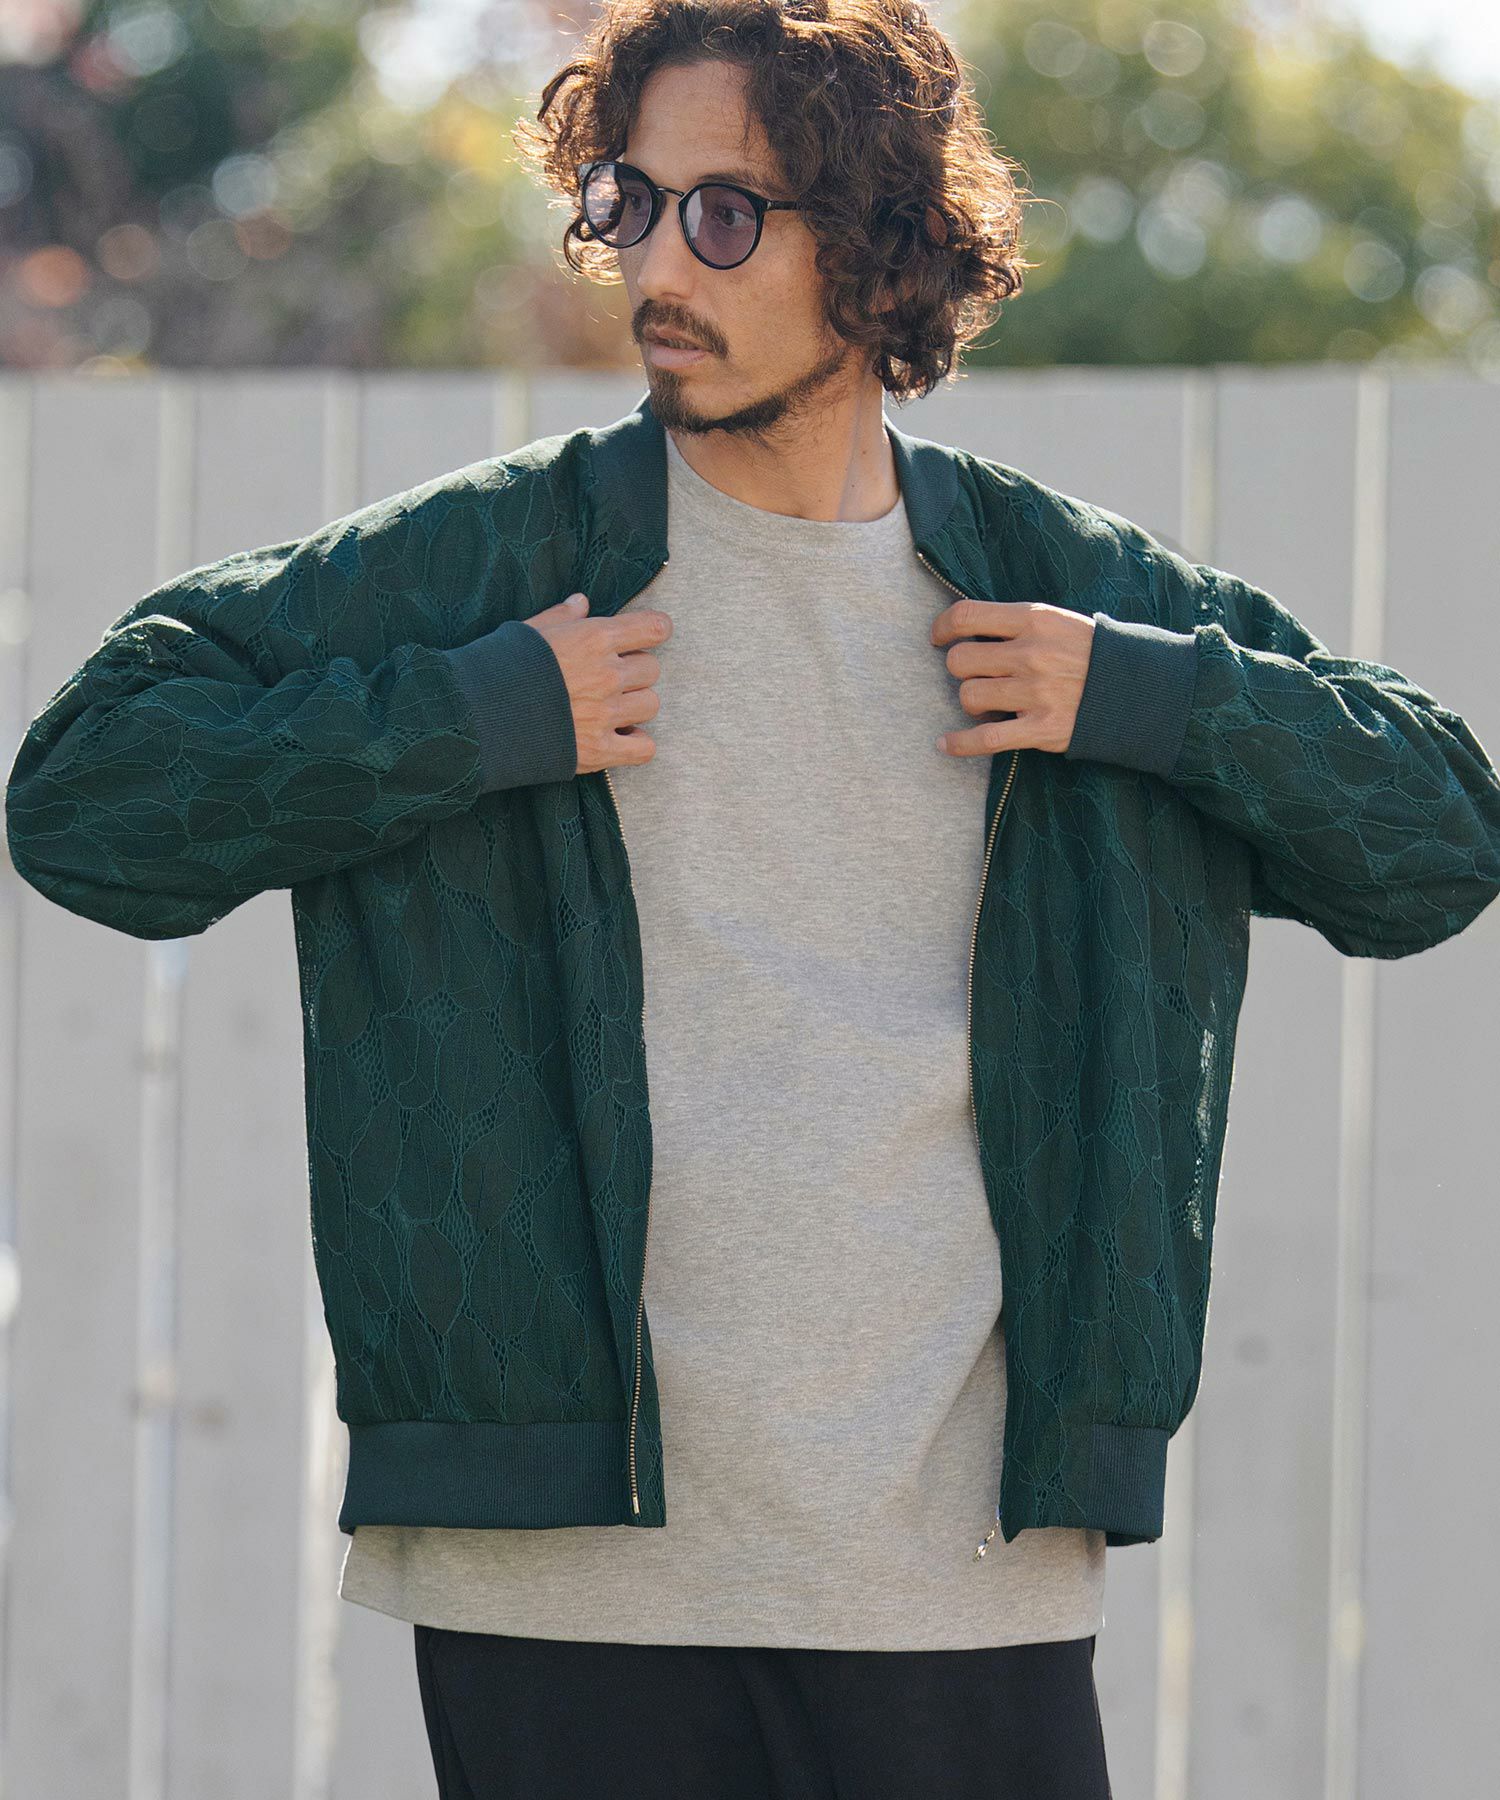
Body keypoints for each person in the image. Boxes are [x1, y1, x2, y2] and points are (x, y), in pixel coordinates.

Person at [7, 3, 1499, 1797]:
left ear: (880, 249)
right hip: (560, 1570)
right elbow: (86, 797)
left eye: (726, 215)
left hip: (959, 1570)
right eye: (629, 203)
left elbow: (1436, 839)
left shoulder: (1059, 593)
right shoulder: (491, 570)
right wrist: (463, 722)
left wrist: (1153, 700)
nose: (657, 265)